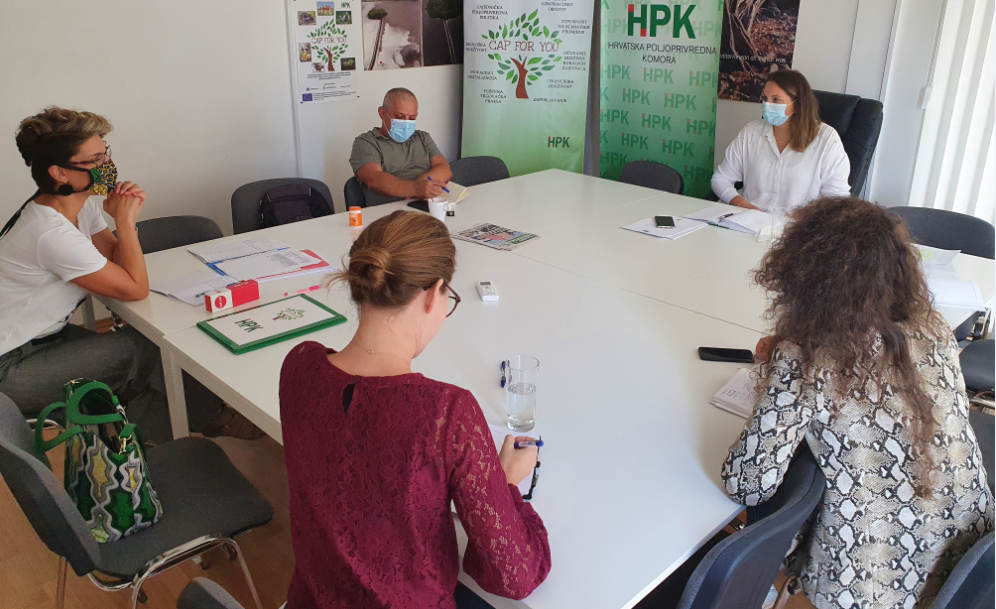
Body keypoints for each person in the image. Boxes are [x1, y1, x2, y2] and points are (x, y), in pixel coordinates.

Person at [721, 197, 994, 609]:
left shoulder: (807, 360)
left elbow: (747, 483)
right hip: (973, 561)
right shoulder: (934, 327)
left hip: (876, 583)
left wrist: (781, 370)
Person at [279, 210, 551, 608]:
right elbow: (515, 574)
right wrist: (505, 482)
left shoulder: (299, 364)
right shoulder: (445, 412)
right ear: (432, 294)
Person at [0, 107, 234, 442]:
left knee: (144, 363)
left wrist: (121, 222)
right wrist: (124, 221)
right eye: (95, 160)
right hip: (10, 367)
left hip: (43, 341)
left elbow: (115, 258)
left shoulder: (79, 206)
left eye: (106, 153)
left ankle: (163, 440)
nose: (107, 165)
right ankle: (205, 423)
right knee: (144, 350)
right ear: (59, 172)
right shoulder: (49, 233)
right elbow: (135, 287)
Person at [711, 70, 851, 211]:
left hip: (797, 223)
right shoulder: (751, 132)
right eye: (765, 98)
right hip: (748, 218)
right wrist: (742, 204)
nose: (767, 105)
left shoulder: (826, 139)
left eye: (776, 100)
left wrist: (804, 219)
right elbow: (720, 180)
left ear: (798, 104)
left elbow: (837, 200)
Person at [349, 87, 453, 207]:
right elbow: (374, 179)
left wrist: (424, 181)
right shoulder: (366, 142)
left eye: (412, 118)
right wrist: (416, 189)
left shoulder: (422, 138)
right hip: (390, 210)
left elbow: (444, 169)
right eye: (399, 116)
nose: (406, 123)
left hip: (428, 204)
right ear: (382, 113)